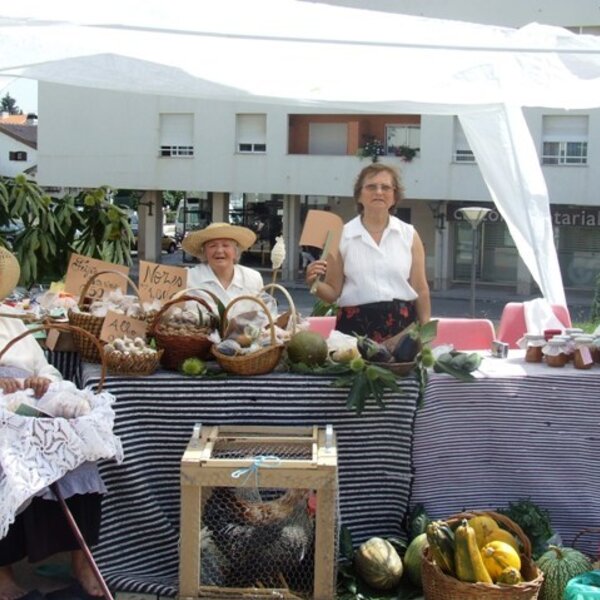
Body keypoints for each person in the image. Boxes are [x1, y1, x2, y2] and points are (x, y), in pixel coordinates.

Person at [0, 247, 104, 600]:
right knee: (7, 461)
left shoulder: (10, 318)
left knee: (79, 451)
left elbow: (44, 366)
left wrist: (41, 380)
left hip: (25, 403)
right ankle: (2, 575)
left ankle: (82, 563)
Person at [305, 163, 431, 342]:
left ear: (394, 196)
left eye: (385, 187)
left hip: (402, 331)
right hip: (353, 331)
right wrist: (313, 282)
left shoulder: (409, 235)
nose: (379, 192)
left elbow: (421, 289)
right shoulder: (341, 236)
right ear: (359, 196)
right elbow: (333, 292)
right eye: (371, 187)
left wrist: (426, 333)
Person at [182, 222, 265, 308]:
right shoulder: (187, 277)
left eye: (225, 245)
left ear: (235, 251)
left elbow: (262, 313)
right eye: (212, 246)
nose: (219, 250)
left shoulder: (253, 278)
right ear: (204, 252)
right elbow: (174, 311)